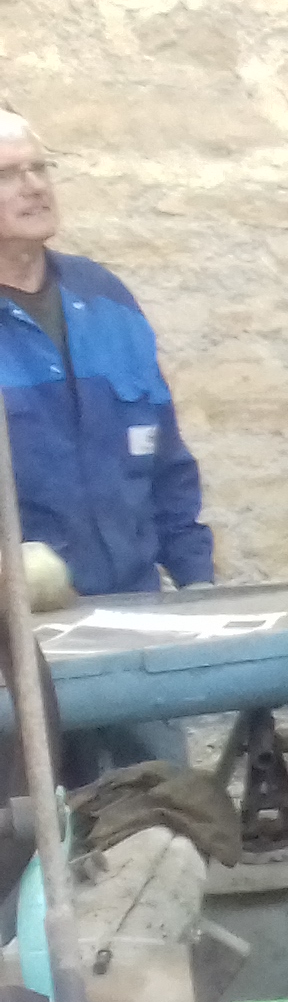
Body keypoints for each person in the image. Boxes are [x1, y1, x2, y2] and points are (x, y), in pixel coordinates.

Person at [0, 111, 216, 772]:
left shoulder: (107, 300)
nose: (34, 186)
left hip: (133, 634)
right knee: (31, 832)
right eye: (9, 174)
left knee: (161, 818)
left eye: (39, 168)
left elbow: (167, 465)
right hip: (15, 659)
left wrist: (199, 584)